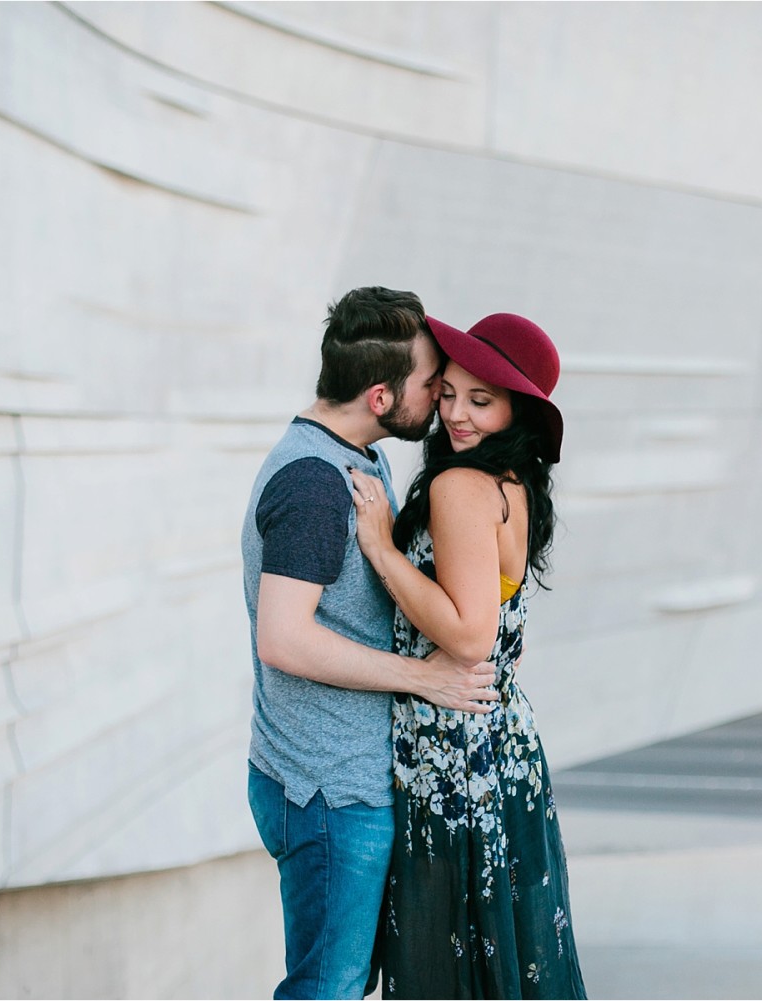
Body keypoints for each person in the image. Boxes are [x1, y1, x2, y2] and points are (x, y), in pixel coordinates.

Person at [241, 287, 501, 1001]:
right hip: (327, 789)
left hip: (338, 779)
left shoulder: (352, 456)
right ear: (383, 396)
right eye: (432, 385)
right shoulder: (314, 483)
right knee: (325, 989)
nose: (444, 398)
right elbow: (284, 637)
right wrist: (422, 676)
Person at [348, 313, 588, 999]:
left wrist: (382, 550)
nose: (455, 413)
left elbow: (468, 634)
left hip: (451, 750)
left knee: (444, 968)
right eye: (450, 392)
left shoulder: (460, 487)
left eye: (481, 400)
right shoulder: (512, 482)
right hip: (503, 742)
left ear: (518, 408)